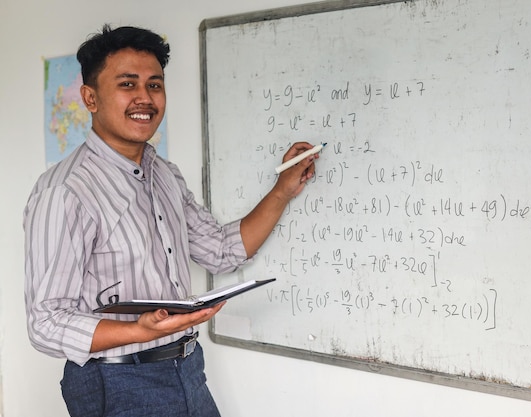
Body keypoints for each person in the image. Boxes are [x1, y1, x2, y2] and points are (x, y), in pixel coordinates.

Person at [23, 24, 318, 417]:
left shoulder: (164, 174)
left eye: (154, 85)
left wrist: (282, 189)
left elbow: (221, 252)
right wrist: (141, 330)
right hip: (117, 383)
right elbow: (45, 322)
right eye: (127, 84)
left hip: (187, 369)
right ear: (90, 98)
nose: (144, 98)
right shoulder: (66, 191)